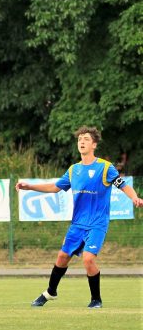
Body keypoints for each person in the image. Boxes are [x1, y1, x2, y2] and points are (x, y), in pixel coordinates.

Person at [16, 126, 143, 308]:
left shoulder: (105, 168)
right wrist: (30, 187)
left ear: (94, 145)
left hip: (97, 224)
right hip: (77, 224)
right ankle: (51, 292)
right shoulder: (73, 170)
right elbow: (55, 187)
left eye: (86, 139)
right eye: (79, 139)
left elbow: (122, 185)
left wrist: (134, 197)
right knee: (62, 257)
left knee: (88, 259)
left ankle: (96, 300)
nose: (81, 142)